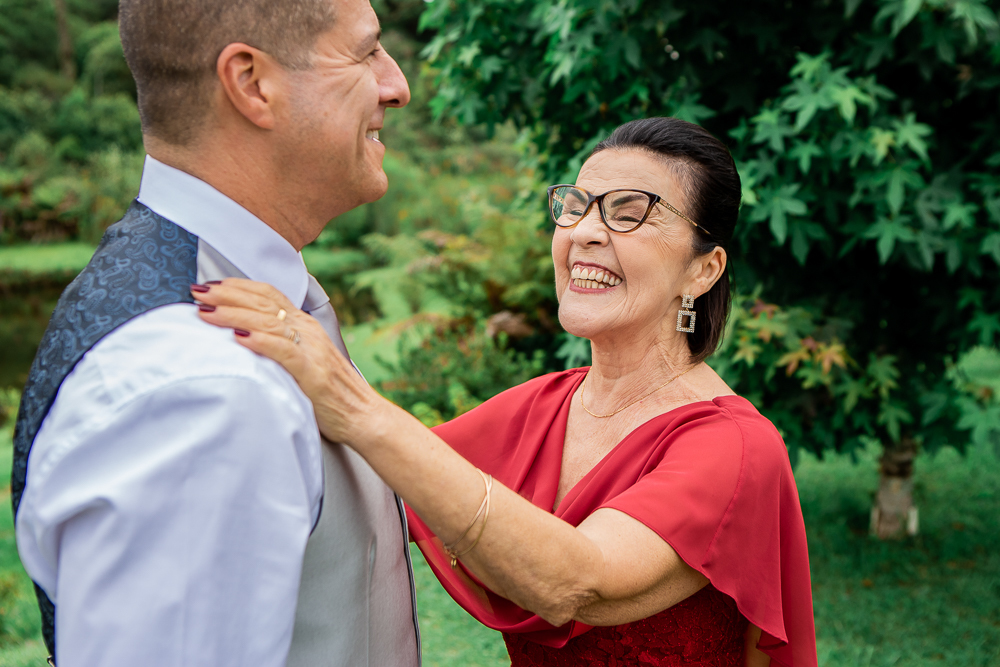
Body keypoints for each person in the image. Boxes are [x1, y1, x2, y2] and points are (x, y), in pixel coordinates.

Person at [195, 117, 818, 666]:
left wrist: (353, 405)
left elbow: (579, 583)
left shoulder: (736, 447)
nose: (586, 231)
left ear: (703, 270)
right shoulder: (544, 406)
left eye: (629, 213)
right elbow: (377, 485)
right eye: (576, 206)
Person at [11, 0, 421, 665]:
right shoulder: (203, 394)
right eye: (365, 51)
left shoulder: (191, 282)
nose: (395, 85)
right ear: (253, 84)